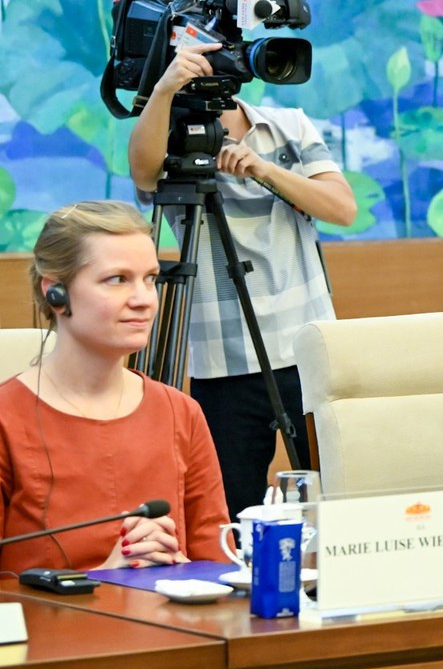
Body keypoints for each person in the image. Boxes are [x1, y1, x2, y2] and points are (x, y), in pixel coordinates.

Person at [127, 42, 356, 517]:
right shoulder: (168, 132)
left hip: (308, 347)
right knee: (227, 507)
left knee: (335, 498)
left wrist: (265, 170)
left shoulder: (288, 124)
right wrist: (165, 88)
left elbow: (342, 207)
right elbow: (144, 173)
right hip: (223, 359)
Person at [0, 201, 229, 577]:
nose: (143, 300)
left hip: (175, 633)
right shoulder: (7, 418)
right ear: (57, 292)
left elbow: (218, 567)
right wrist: (104, 578)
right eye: (117, 279)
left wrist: (183, 572)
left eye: (150, 278)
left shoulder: (181, 411)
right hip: (49, 634)